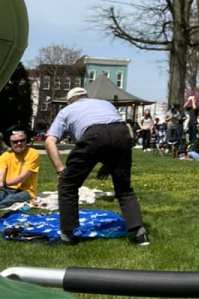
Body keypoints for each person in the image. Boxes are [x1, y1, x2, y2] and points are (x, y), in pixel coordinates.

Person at [45, 87, 149, 246]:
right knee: (124, 188)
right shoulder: (105, 103)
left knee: (68, 184)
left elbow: (49, 141)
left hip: (93, 135)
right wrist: (109, 166)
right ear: (86, 96)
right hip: (122, 133)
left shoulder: (66, 110)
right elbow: (110, 136)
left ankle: (68, 234)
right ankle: (139, 233)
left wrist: (60, 169)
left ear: (70, 101)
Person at [0, 130, 40, 208]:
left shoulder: (33, 153)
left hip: (27, 191)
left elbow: (22, 177)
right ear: (10, 143)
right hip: (7, 189)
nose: (19, 143)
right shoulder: (5, 155)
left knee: (10, 199)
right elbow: (1, 172)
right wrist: (1, 182)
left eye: (22, 140)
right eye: (15, 141)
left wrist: (5, 183)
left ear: (26, 140)